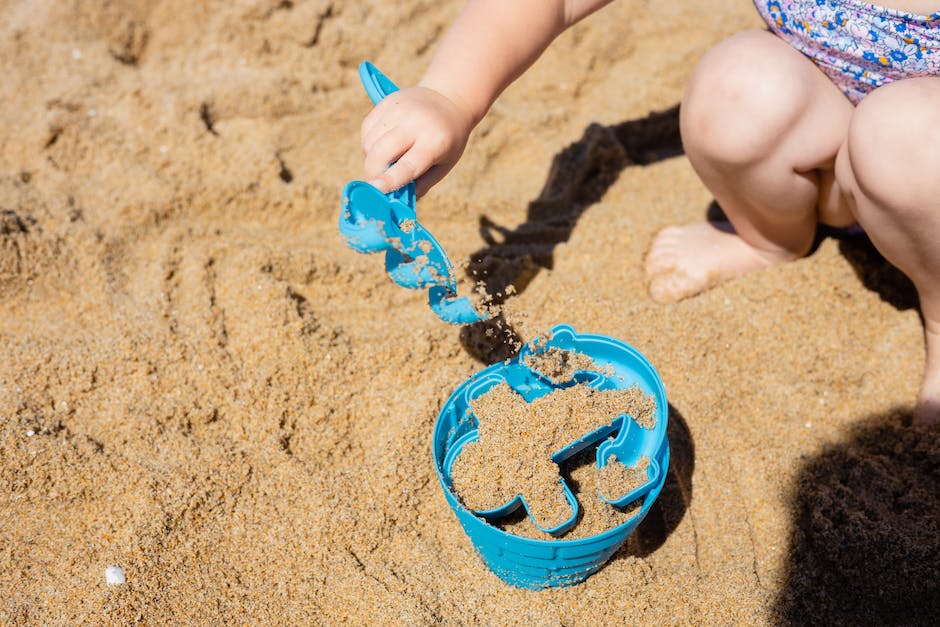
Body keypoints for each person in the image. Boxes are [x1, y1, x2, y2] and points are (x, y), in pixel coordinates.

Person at [359, 0, 940, 425]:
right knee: (737, 89)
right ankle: (770, 237)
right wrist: (452, 98)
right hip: (836, 149)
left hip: (921, 160)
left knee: (899, 133)